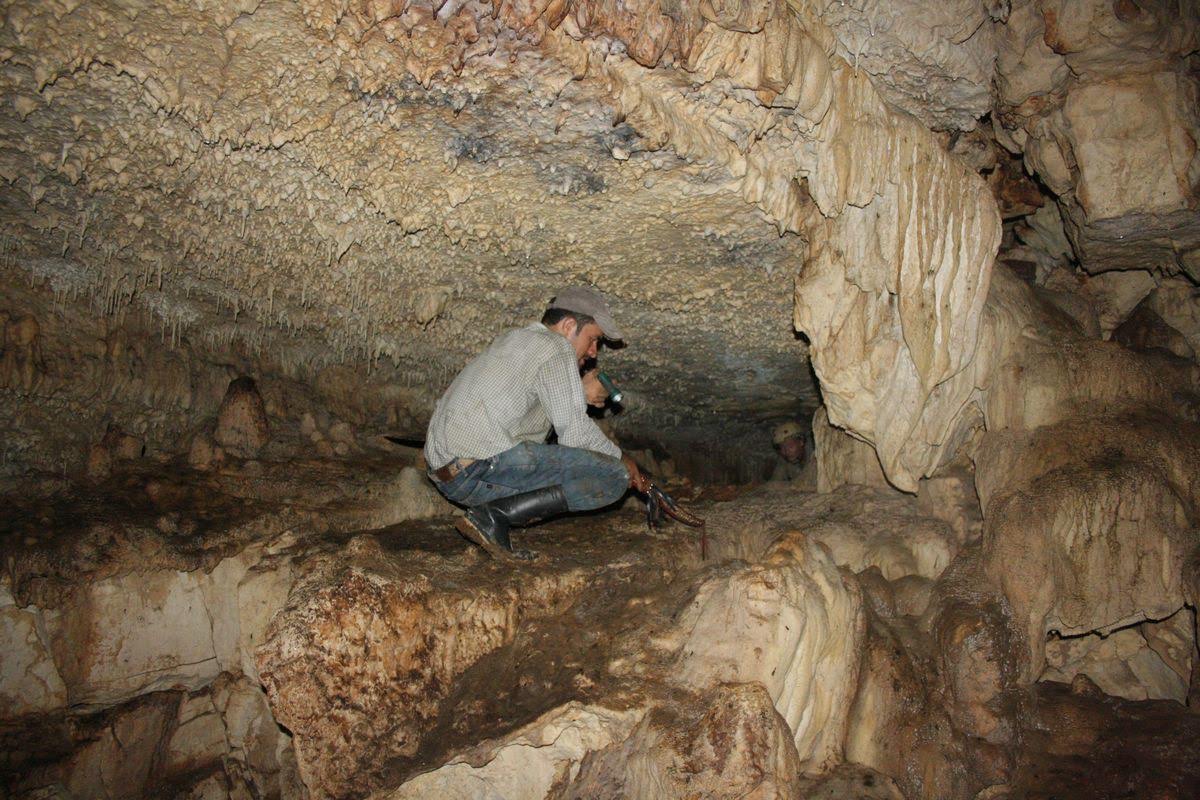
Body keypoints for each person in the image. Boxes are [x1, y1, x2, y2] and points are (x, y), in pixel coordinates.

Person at [424, 287, 649, 561]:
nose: (593, 353)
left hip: (451, 475)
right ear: (568, 326)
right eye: (593, 339)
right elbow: (575, 434)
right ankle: (492, 517)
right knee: (614, 476)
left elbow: (521, 413)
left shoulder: (516, 341)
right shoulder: (555, 346)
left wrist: (577, 392)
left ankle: (491, 516)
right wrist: (624, 459)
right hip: (480, 466)